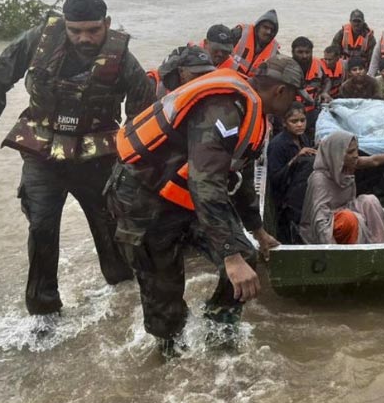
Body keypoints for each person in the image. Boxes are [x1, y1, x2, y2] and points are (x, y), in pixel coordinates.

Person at [0, 0, 154, 317]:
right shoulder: (39, 41)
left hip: (97, 157)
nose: (84, 38)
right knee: (41, 227)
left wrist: (141, 167)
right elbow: (2, 71)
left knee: (112, 229)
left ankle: (123, 296)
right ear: (65, 24)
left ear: (107, 24)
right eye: (76, 31)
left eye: (92, 30)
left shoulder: (122, 58)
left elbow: (143, 113)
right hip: (42, 153)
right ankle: (43, 311)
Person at [107, 56, 305, 354]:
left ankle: (218, 329)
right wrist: (229, 255)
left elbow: (239, 173)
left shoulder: (255, 114)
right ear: (281, 92)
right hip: (144, 201)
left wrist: (257, 230)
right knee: (166, 298)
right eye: (294, 96)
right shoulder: (223, 109)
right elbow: (206, 181)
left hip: (188, 198)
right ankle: (168, 356)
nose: (295, 104)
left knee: (246, 255)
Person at [299, 131, 384, 244]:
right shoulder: (320, 179)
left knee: (370, 201)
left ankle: (379, 246)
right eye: (350, 152)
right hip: (326, 227)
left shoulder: (346, 165)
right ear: (337, 154)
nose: (355, 155)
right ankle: (354, 254)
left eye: (356, 150)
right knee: (350, 218)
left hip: (345, 212)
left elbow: (373, 161)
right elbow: (319, 221)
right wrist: (331, 253)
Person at [267, 102, 316, 244]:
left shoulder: (303, 138)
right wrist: (295, 159)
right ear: (284, 123)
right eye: (294, 121)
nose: (299, 125)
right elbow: (275, 178)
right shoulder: (278, 145)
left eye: (302, 120)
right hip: (287, 200)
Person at [291, 36, 330, 135]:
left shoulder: (318, 65)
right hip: (292, 115)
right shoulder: (287, 67)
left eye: (307, 52)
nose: (304, 56)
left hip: (313, 111)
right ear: (292, 52)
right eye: (300, 52)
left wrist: (324, 92)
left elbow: (327, 80)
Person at [146, 45, 216, 98]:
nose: (203, 79)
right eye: (198, 73)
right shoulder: (153, 87)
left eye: (207, 73)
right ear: (181, 72)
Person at [230, 9, 280, 76]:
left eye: (272, 30)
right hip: (225, 77)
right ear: (258, 27)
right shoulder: (239, 33)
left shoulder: (274, 53)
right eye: (265, 27)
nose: (268, 32)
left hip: (247, 85)